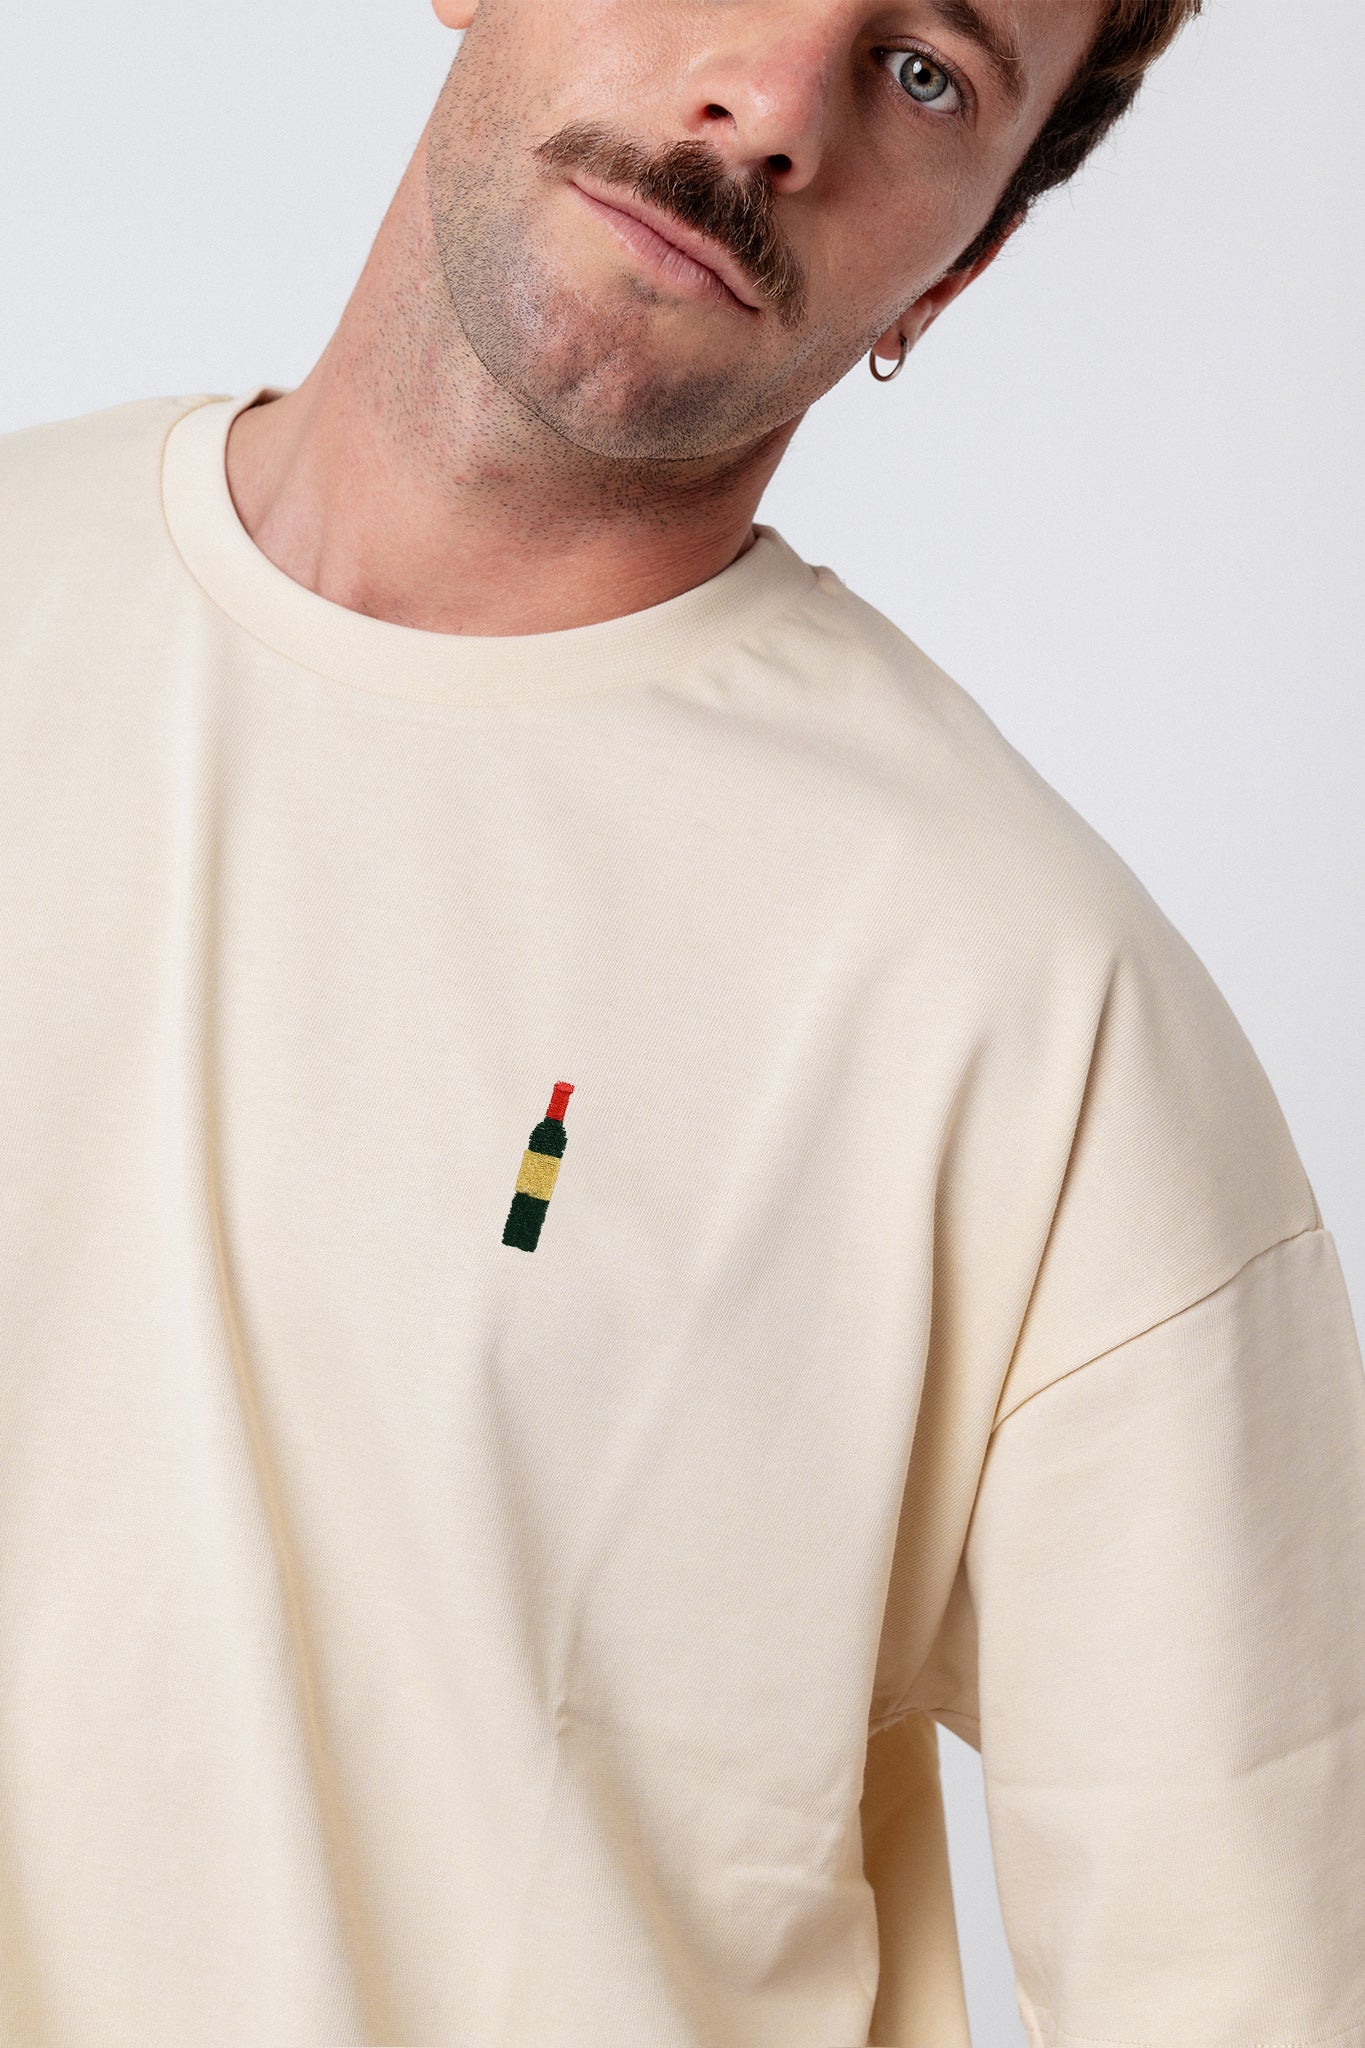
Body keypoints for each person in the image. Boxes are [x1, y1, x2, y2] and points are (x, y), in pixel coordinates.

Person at [1, 0, 1362, 2042]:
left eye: (926, 71)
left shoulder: (1033, 1015)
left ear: (961, 264)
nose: (775, 103)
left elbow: (1243, 1985)